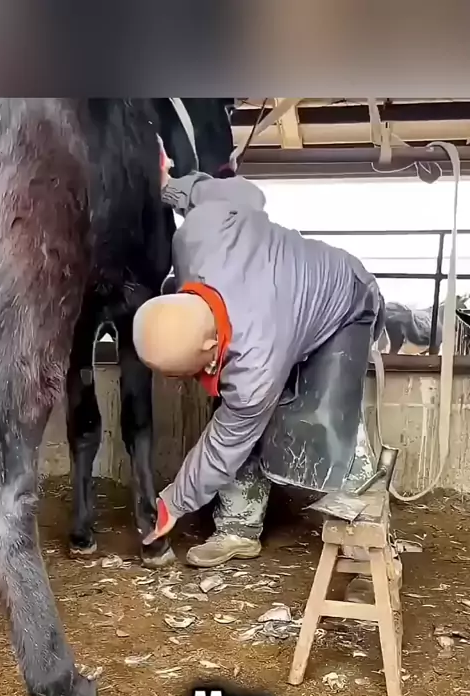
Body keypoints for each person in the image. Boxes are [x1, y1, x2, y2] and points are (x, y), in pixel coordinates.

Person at [132, 158, 385, 568]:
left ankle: (362, 549)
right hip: (280, 309)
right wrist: (170, 186)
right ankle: (238, 528)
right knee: (237, 410)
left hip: (344, 302)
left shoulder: (254, 365)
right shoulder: (196, 236)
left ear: (211, 343)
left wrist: (173, 504)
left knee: (328, 422)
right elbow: (243, 192)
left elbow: (225, 442)